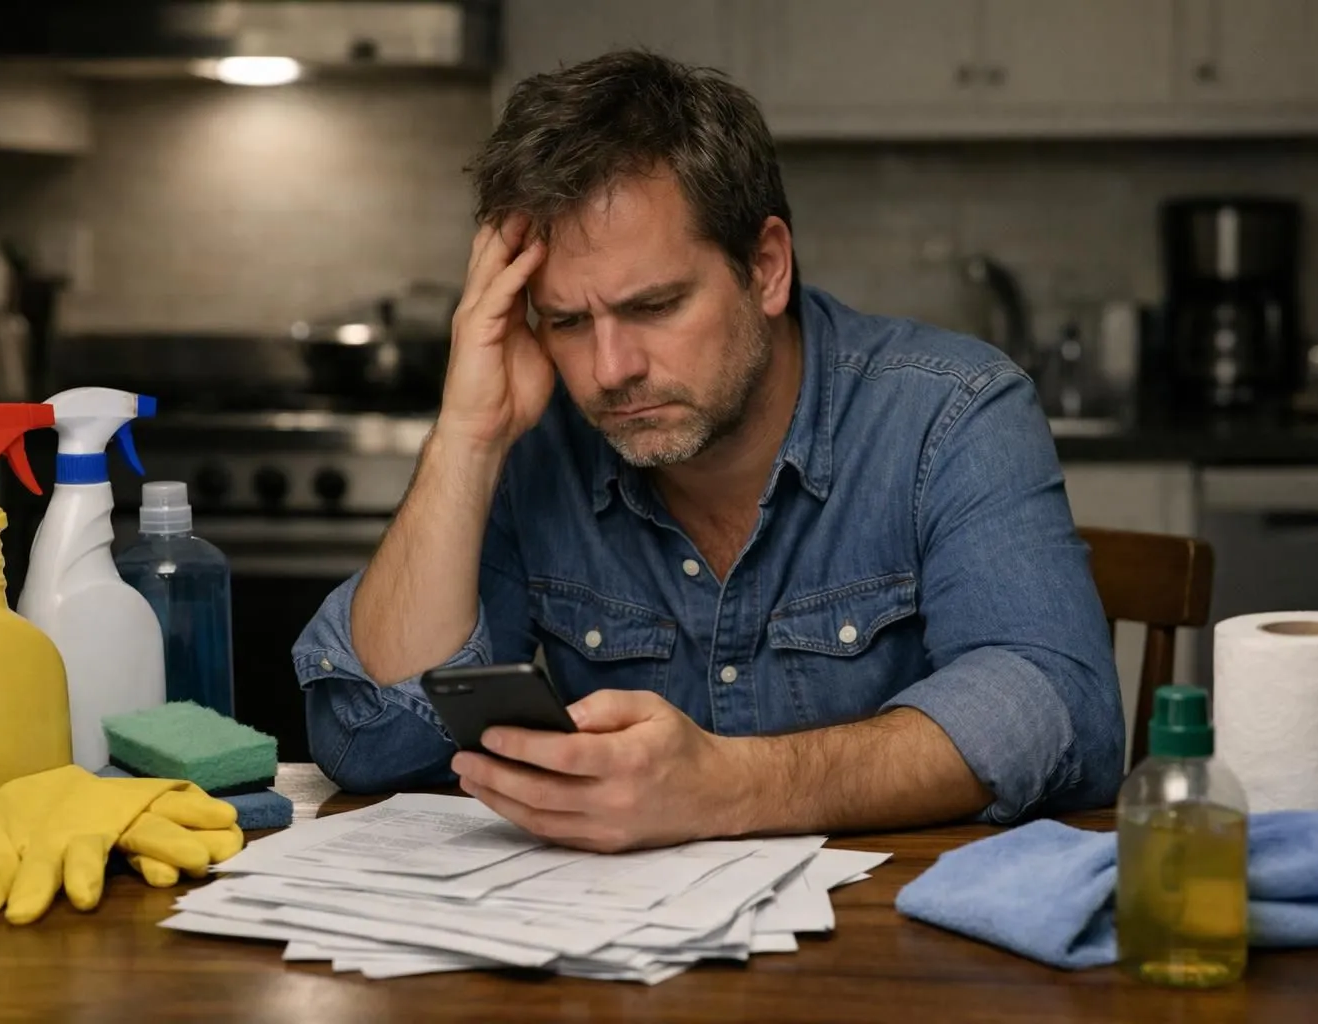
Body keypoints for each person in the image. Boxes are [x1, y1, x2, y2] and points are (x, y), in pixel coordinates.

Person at [293, 49, 1124, 852]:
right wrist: (466, 436)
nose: (611, 371)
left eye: (653, 306)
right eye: (570, 322)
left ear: (766, 268)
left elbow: (1054, 707)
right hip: (608, 963)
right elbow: (372, 742)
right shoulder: (536, 433)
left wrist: (730, 785)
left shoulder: (951, 412)